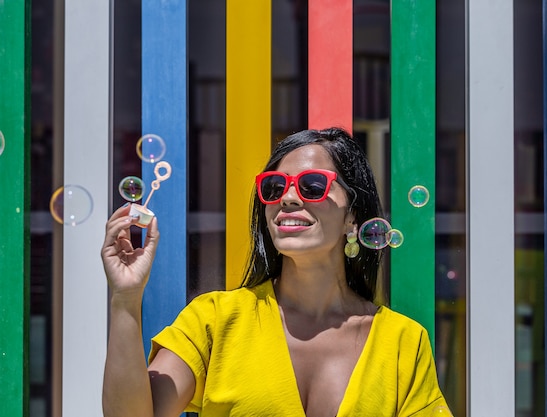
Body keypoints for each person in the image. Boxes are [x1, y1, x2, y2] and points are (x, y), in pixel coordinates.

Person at [101, 127, 452, 417]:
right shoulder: (215, 321)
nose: (287, 198)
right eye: (274, 187)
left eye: (312, 185)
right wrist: (125, 299)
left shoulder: (403, 342)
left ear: (352, 216)